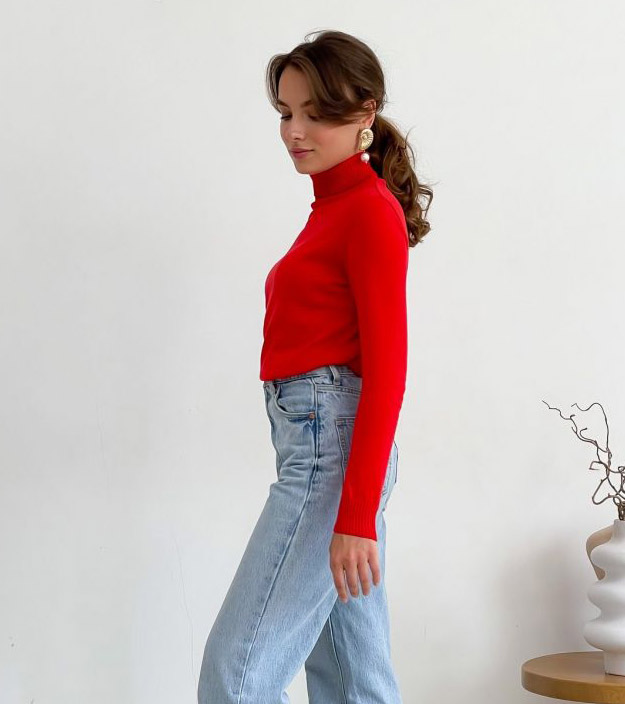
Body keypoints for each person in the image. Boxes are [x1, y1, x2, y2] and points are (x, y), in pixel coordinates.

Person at [198, 29, 433, 704]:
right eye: (285, 113)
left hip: (331, 457)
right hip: (323, 448)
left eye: (315, 113)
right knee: (356, 682)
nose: (294, 131)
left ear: (364, 113)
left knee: (235, 679)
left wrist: (355, 515)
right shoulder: (333, 208)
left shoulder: (368, 213)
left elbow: (387, 371)